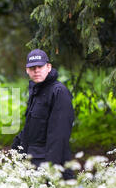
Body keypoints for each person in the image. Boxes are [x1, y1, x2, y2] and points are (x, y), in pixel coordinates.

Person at [11, 49, 75, 179]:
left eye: (40, 66)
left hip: (51, 166)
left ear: (48, 67)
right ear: (27, 70)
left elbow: (59, 136)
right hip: (33, 161)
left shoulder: (59, 92)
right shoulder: (36, 90)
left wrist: (50, 169)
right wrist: (16, 149)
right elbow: (31, 127)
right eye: (32, 68)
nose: (36, 70)